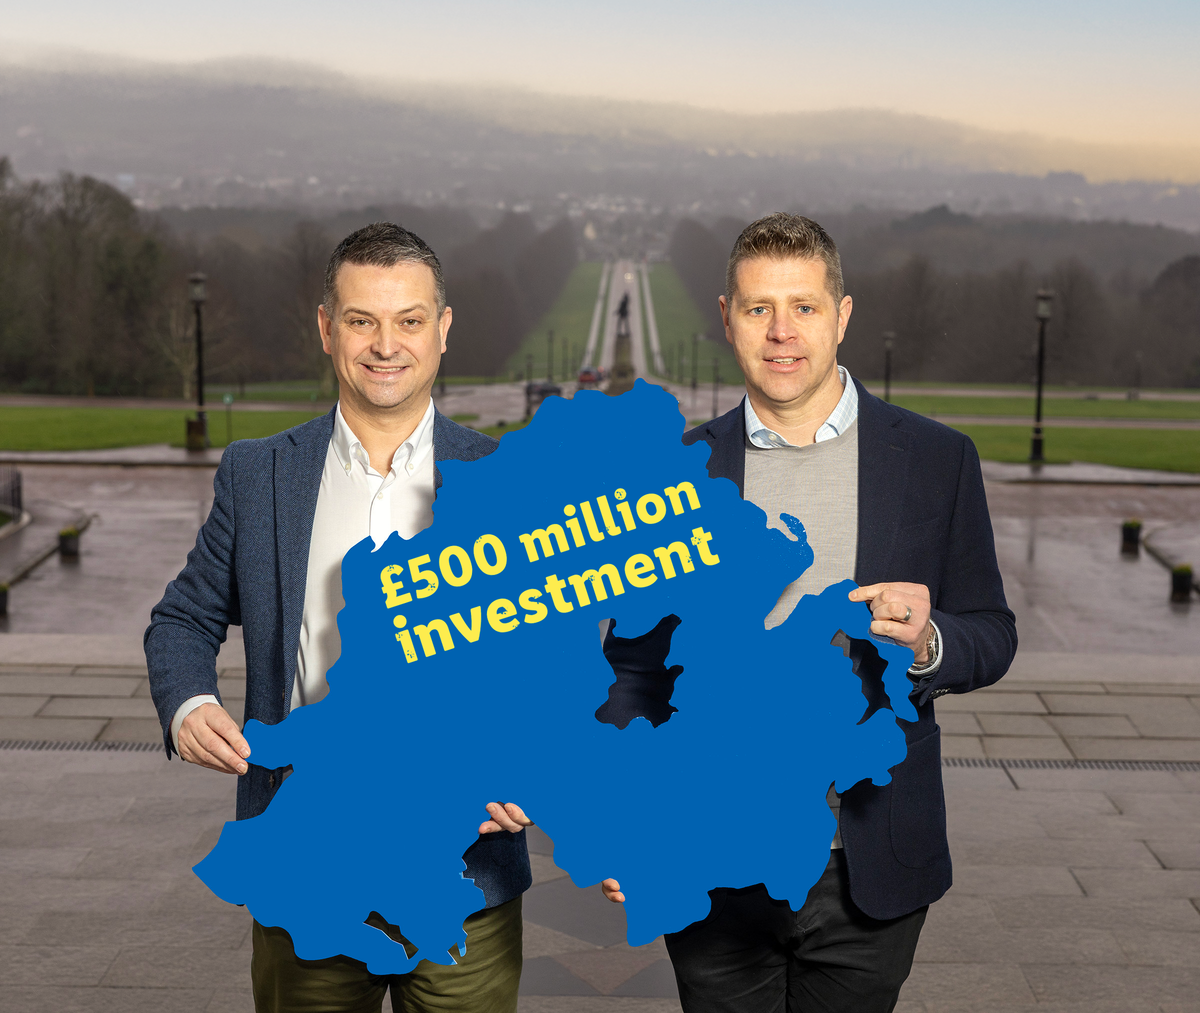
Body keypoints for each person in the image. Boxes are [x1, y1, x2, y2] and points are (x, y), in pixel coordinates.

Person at [600, 213, 1017, 1013]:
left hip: (867, 860)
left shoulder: (937, 460)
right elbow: (633, 671)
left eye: (804, 306)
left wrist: (928, 639)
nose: (782, 331)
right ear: (727, 317)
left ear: (842, 315)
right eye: (759, 308)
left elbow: (992, 633)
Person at [146, 223, 532, 1013]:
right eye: (362, 320)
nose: (386, 345)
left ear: (443, 329)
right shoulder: (258, 475)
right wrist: (188, 704)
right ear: (327, 328)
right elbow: (182, 617)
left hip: (465, 875)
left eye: (409, 320)